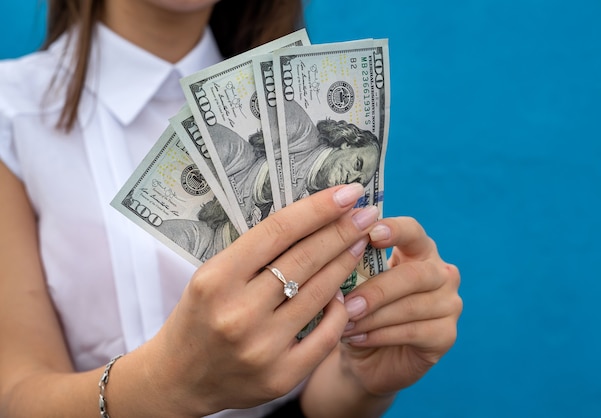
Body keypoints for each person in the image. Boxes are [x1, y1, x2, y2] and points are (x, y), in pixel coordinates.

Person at [0, 1, 463, 417]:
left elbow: (308, 402)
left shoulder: (293, 116)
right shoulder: (12, 114)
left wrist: (360, 376)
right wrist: (168, 383)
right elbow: (15, 395)